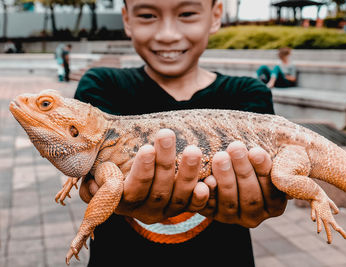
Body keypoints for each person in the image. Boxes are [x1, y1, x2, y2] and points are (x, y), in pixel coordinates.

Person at [74, 0, 287, 266]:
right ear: (127, 20)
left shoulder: (249, 95)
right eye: (148, 15)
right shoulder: (100, 87)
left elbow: (268, 187)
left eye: (186, 13)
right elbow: (84, 165)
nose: (167, 34)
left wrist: (269, 195)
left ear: (216, 16)